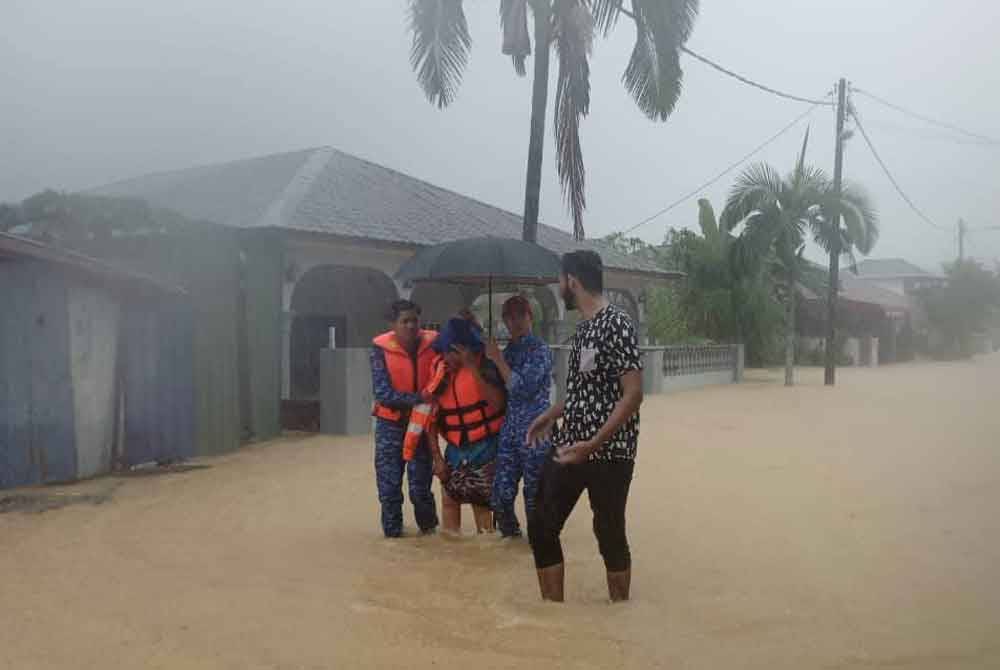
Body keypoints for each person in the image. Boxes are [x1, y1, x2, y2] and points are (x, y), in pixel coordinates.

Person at [526, 251, 644, 602]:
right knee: (541, 524)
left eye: (561, 280)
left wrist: (593, 444)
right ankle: (552, 616)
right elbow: (584, 390)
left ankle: (620, 610)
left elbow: (633, 394)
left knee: (608, 532)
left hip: (610, 451)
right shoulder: (584, 329)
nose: (559, 286)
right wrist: (552, 413)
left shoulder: (617, 323)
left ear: (572, 281)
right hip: (570, 442)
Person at [428, 317, 507, 534]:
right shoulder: (440, 372)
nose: (446, 357)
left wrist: (472, 367)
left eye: (451, 352)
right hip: (454, 450)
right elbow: (429, 421)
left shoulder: (486, 366)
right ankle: (451, 551)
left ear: (463, 349)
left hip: (485, 447)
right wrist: (437, 459)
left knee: (481, 506)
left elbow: (498, 403)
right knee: (449, 501)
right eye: (444, 352)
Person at [369, 299, 439, 538]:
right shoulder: (379, 350)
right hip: (390, 427)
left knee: (421, 490)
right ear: (392, 324)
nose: (411, 326)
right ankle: (393, 539)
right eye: (405, 321)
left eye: (414, 320)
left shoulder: (434, 344)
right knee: (389, 491)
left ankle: (430, 537)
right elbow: (383, 394)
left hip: (421, 427)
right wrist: (420, 398)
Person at [486, 295, 553, 538]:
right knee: (500, 495)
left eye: (520, 315)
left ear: (530, 317)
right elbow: (493, 384)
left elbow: (522, 388)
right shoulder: (508, 352)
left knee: (534, 495)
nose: (515, 321)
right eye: (510, 317)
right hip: (510, 431)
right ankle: (511, 541)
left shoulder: (540, 350)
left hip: (535, 431)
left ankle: (539, 546)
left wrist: (498, 359)